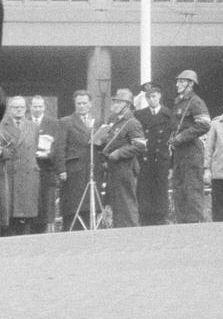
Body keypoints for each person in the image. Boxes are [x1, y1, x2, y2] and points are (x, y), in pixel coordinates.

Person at [97, 89, 145, 228]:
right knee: (117, 204)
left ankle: (131, 232)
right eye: (114, 101)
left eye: (118, 101)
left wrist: (119, 152)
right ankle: (121, 233)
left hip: (126, 169)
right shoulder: (113, 121)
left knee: (127, 203)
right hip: (113, 169)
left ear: (127, 104)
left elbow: (140, 146)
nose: (115, 104)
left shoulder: (132, 123)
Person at [54, 90, 101, 230]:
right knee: (74, 204)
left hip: (92, 168)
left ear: (90, 104)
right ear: (74, 104)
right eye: (79, 103)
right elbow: (59, 147)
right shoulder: (65, 122)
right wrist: (61, 169)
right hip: (74, 169)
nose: (82, 106)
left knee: (90, 204)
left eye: (84, 103)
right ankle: (72, 230)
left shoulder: (97, 122)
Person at [169, 70, 211, 224]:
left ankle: (194, 227)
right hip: (179, 151)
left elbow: (205, 124)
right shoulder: (179, 102)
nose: (177, 84)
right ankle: (182, 226)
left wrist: (182, 136)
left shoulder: (195, 102)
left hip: (192, 150)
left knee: (192, 190)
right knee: (179, 191)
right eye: (177, 81)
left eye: (182, 81)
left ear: (191, 84)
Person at [134, 81, 175, 225]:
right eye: (149, 97)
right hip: (145, 159)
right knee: (144, 189)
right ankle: (145, 219)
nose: (152, 99)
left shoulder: (168, 114)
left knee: (160, 188)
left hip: (161, 159)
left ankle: (160, 219)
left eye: (154, 96)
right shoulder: (139, 115)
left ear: (160, 96)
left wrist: (171, 164)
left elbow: (172, 140)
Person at [1, 94, 40, 236]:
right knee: (8, 217)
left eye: (21, 107)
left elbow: (33, 147)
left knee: (25, 217)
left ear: (26, 109)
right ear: (9, 109)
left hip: (27, 176)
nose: (19, 110)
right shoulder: (2, 125)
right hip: (8, 175)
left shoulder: (33, 126)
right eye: (15, 107)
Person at [28, 95, 61, 234]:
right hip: (28, 170)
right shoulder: (24, 121)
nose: (37, 109)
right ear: (30, 107)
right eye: (35, 106)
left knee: (45, 206)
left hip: (46, 169)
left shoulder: (53, 123)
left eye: (40, 106)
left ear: (44, 107)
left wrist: (48, 154)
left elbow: (58, 145)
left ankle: (43, 234)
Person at [203, 109, 223, 222]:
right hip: (218, 168)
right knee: (218, 203)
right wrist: (207, 169)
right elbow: (208, 148)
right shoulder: (216, 123)